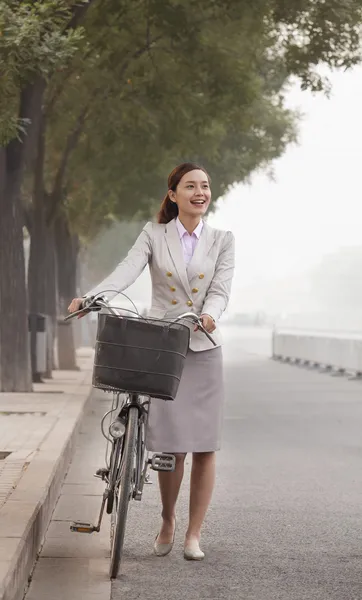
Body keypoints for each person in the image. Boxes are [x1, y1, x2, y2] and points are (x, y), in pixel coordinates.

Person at [68, 162, 235, 561]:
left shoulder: (222, 239)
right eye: (190, 186)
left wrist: (210, 313)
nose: (200, 192)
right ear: (173, 194)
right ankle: (167, 519)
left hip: (204, 345)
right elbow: (127, 269)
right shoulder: (153, 234)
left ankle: (194, 535)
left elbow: (221, 288)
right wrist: (92, 296)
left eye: (205, 186)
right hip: (164, 345)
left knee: (205, 446)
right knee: (173, 446)